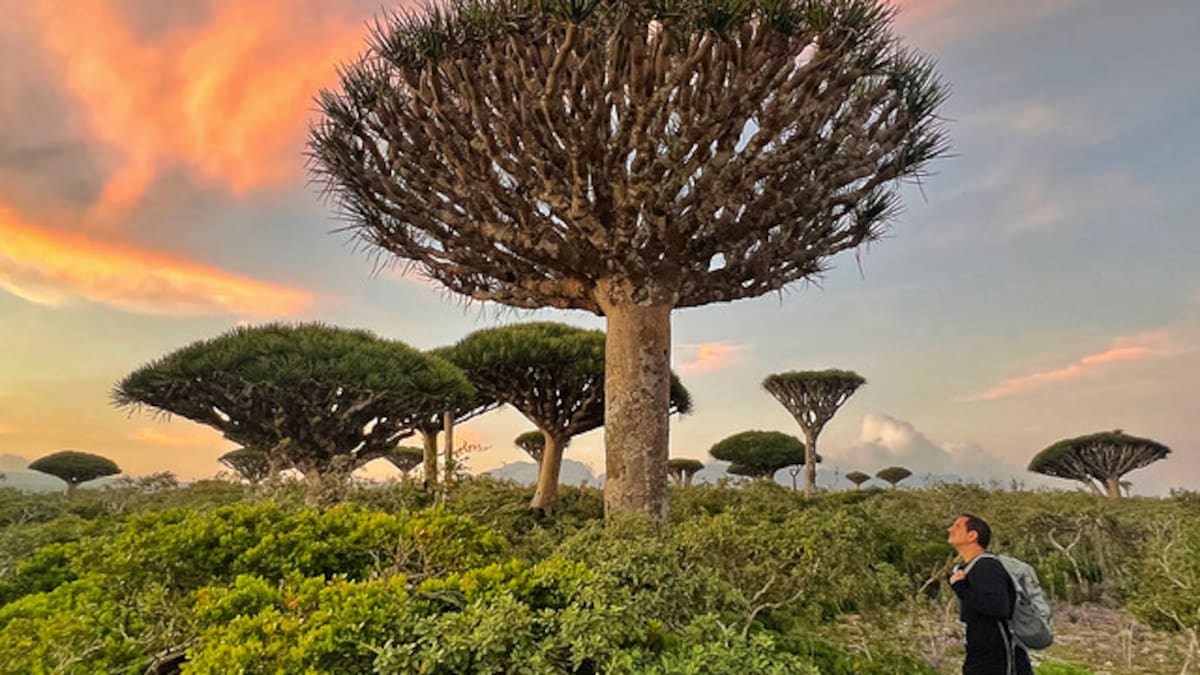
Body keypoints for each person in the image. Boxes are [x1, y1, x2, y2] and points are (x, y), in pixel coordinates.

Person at [947, 514, 1034, 675]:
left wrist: (961, 587)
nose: (950, 529)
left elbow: (998, 607)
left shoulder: (986, 566)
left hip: (998, 653)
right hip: (981, 650)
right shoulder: (970, 567)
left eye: (957, 526)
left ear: (972, 536)